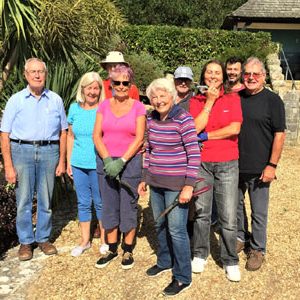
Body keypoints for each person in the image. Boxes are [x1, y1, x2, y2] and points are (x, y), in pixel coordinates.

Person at [138, 78, 201, 297]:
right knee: (160, 224)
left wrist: (188, 186)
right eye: (154, 96)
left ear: (172, 96)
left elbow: (194, 153)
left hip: (177, 185)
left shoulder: (183, 119)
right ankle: (165, 260)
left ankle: (183, 276)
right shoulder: (151, 119)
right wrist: (145, 177)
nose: (158, 100)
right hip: (156, 182)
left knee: (177, 230)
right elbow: (149, 150)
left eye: (162, 95)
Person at [0, 58, 68, 261]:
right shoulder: (16, 100)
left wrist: (62, 160)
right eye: (33, 72)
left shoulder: (55, 99)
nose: (37, 75)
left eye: (41, 71)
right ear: (25, 75)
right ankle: (26, 242)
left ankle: (44, 239)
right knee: (24, 200)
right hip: (22, 151)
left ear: (46, 74)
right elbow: (4, 134)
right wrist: (9, 167)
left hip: (49, 152)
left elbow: (64, 132)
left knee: (46, 199)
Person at [189, 59, 243, 282]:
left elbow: (235, 128)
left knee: (228, 216)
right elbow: (194, 127)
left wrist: (207, 136)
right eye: (209, 72)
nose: (213, 76)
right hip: (202, 163)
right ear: (203, 76)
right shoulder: (196, 100)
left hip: (228, 162)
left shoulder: (233, 98)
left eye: (217, 73)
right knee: (202, 212)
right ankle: (200, 253)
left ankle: (230, 259)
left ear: (223, 78)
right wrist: (209, 102)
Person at [93, 64, 146, 270]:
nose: (121, 86)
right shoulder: (104, 106)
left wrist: (122, 161)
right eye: (117, 82)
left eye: (125, 82)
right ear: (111, 84)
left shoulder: (138, 107)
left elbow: (139, 138)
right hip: (106, 163)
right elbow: (97, 135)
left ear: (130, 84)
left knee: (128, 205)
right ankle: (112, 248)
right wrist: (107, 160)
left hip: (130, 163)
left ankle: (128, 249)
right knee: (109, 205)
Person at [237, 57, 286, 271]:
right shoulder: (236, 98)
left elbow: (280, 135)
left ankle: (258, 249)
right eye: (247, 74)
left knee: (259, 211)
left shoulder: (273, 101)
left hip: (260, 168)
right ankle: (240, 236)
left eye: (256, 74)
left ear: (264, 77)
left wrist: (272, 165)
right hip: (234, 165)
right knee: (235, 207)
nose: (251, 78)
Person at [67, 72, 107, 257]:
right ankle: (85, 241)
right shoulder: (74, 109)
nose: (92, 91)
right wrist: (68, 161)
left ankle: (105, 240)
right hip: (78, 163)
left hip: (98, 163)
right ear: (82, 89)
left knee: (100, 202)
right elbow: (70, 136)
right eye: (89, 87)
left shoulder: (104, 109)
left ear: (100, 89)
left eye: (96, 87)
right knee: (83, 202)